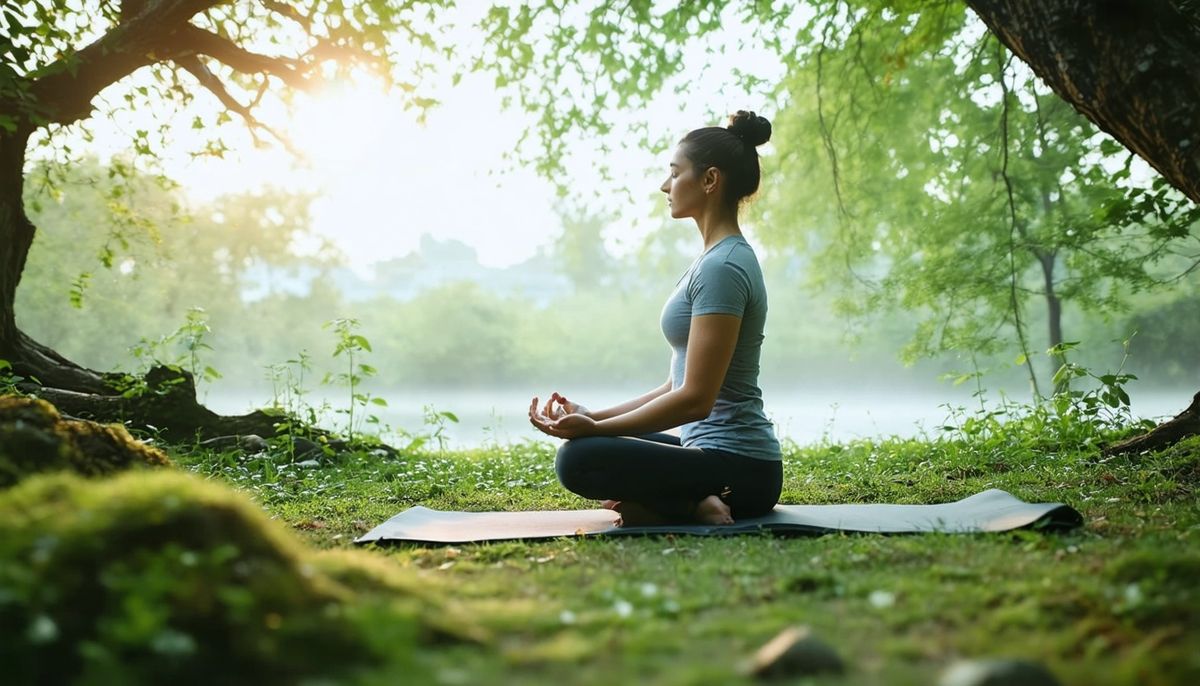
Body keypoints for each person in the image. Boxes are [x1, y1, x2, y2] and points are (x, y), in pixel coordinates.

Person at [528, 110, 782, 526]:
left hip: (742, 467)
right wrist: (593, 417)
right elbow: (675, 386)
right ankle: (685, 500)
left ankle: (690, 503)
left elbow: (695, 399)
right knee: (589, 447)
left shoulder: (725, 267)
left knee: (580, 459)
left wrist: (592, 432)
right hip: (703, 449)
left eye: (674, 172)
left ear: (709, 180)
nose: (665, 185)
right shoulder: (711, 261)